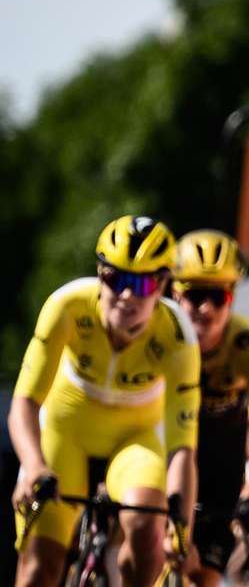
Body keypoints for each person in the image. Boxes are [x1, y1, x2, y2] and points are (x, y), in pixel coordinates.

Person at [8, 215, 201, 587]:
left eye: (142, 283)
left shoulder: (178, 336)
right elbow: (25, 403)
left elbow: (182, 447)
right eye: (116, 278)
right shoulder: (67, 306)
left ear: (161, 286)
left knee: (147, 528)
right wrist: (33, 465)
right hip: (66, 432)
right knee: (38, 568)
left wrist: (180, 529)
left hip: (136, 439)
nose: (127, 295)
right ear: (100, 273)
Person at [169, 229, 249, 586]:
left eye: (216, 297)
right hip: (162, 451)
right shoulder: (159, 335)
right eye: (195, 294)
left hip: (220, 467)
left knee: (204, 577)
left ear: (231, 298)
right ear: (175, 293)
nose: (204, 308)